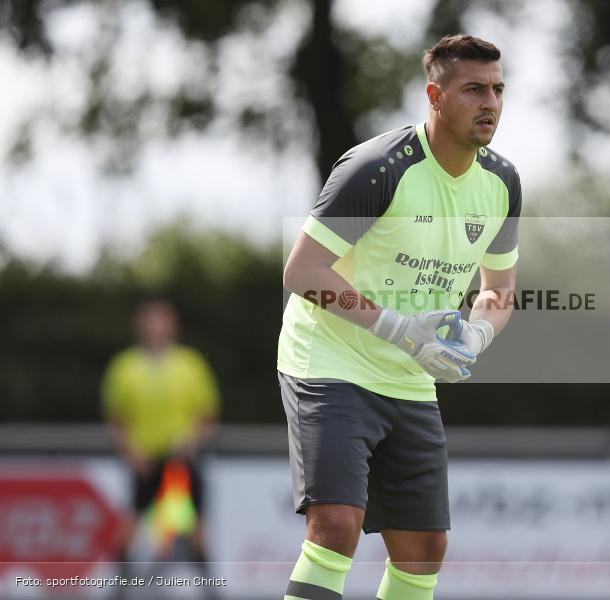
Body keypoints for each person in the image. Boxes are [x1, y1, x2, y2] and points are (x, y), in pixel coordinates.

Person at [278, 34, 520, 600]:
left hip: (409, 380)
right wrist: (397, 327)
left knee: (424, 546)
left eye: (498, 90)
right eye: (474, 89)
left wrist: (477, 334)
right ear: (435, 96)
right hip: (329, 363)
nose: (491, 103)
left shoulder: (502, 182)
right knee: (337, 525)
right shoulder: (377, 168)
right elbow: (303, 272)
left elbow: (500, 289)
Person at [101, 298, 220, 571]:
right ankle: (118, 584)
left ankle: (208, 586)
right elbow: (116, 419)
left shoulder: (189, 364)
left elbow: (207, 414)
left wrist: (191, 442)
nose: (156, 328)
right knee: (132, 521)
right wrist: (131, 453)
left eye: (162, 321)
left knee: (193, 525)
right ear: (140, 326)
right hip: (145, 460)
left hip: (180, 460)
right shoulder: (125, 366)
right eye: (151, 322)